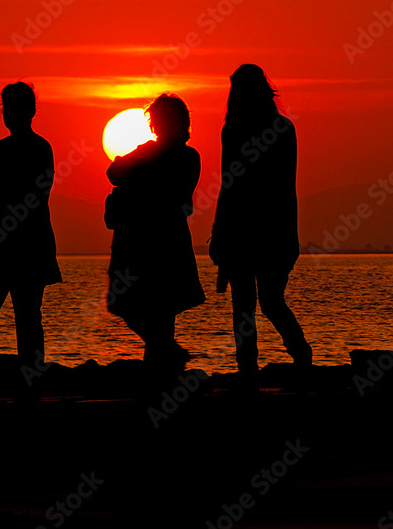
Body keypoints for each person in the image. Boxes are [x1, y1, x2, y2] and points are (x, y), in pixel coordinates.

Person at [210, 64, 312, 375]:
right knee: (268, 299)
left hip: (246, 228)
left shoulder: (235, 130)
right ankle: (298, 354)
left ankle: (250, 367)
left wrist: (219, 231)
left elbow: (230, 183)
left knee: (246, 303)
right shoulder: (284, 128)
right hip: (276, 228)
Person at [105, 94, 206, 372]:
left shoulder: (170, 155)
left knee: (149, 307)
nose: (159, 125)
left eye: (162, 120)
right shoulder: (184, 156)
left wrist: (134, 162)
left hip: (148, 242)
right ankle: (166, 362)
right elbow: (115, 173)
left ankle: (164, 365)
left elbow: (116, 172)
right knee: (158, 309)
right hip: (159, 240)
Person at [0, 82, 61, 365]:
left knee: (25, 315)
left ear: (30, 111)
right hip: (4, 243)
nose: (9, 114)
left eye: (14, 108)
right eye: (5, 108)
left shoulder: (36, 149)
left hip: (25, 244)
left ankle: (21, 376)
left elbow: (31, 194)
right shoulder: (0, 150)